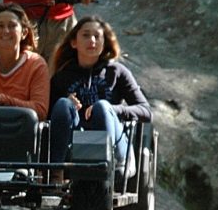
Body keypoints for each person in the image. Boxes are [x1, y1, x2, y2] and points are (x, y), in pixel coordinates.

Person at [47, 16, 150, 171]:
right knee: (62, 104)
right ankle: (55, 172)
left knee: (101, 107)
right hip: (75, 147)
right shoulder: (62, 76)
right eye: (86, 35)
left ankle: (105, 172)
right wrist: (67, 105)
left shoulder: (117, 72)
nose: (92, 40)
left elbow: (146, 111)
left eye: (97, 36)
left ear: (104, 43)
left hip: (115, 150)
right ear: (74, 42)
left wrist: (112, 110)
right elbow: (46, 115)